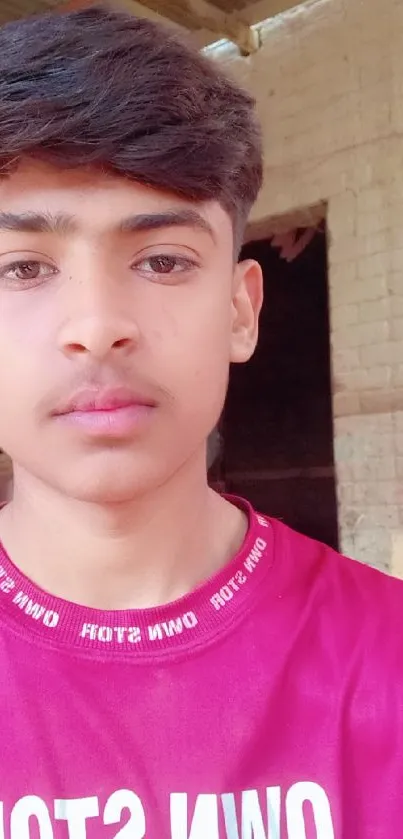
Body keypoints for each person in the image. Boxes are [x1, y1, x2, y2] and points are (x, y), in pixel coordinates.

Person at [0, 5, 401, 837]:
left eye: (161, 260)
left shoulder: (383, 659)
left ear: (239, 312)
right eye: (25, 268)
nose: (97, 325)